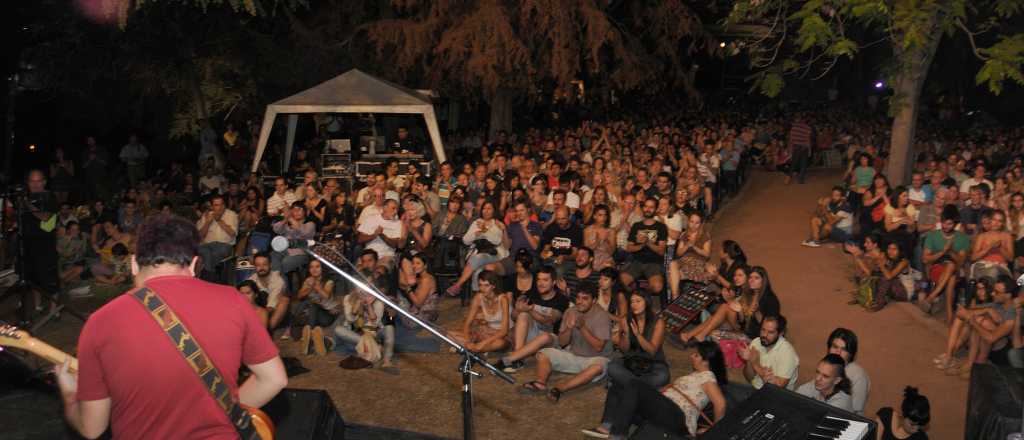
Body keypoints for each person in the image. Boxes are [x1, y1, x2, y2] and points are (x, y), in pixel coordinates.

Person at [54, 213, 287, 439]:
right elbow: (274, 379)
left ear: (134, 264)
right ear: (195, 263)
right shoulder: (233, 300)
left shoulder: (101, 321)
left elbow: (92, 428)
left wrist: (69, 394)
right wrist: (223, 412)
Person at [582, 341, 728, 439]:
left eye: (696, 355)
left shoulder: (708, 376)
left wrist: (715, 430)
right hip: (661, 413)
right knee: (620, 385)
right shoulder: (694, 375)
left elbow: (720, 403)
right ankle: (606, 426)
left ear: (706, 361)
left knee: (634, 384)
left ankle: (618, 434)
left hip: (677, 418)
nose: (691, 356)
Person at [524, 285, 612, 401]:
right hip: (574, 354)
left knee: (598, 368)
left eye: (585, 298)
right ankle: (540, 383)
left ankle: (559, 389)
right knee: (543, 354)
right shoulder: (570, 311)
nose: (580, 302)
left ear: (594, 300)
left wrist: (582, 328)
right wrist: (569, 328)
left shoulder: (602, 316)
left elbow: (598, 347)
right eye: (578, 298)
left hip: (595, 358)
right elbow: (562, 342)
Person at [494, 266, 570, 373]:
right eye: (538, 279)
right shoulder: (531, 295)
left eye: (545, 280)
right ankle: (518, 358)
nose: (540, 283)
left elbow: (549, 321)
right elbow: (514, 317)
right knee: (523, 315)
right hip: (532, 335)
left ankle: (511, 359)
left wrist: (530, 310)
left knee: (544, 336)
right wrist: (518, 310)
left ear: (553, 282)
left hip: (551, 340)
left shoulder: (561, 299)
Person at [607, 291, 669, 388]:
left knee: (662, 376)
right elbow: (624, 350)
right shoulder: (625, 319)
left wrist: (638, 335)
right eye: (632, 302)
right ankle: (638, 386)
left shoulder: (658, 322)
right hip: (631, 361)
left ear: (647, 302)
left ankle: (627, 384)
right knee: (611, 366)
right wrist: (626, 334)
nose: (634, 305)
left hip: (653, 363)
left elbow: (652, 351)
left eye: (638, 301)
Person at [918, 206, 969, 321]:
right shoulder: (932, 235)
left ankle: (932, 297)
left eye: (949, 224)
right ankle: (949, 313)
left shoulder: (962, 238)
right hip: (935, 268)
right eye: (943, 223)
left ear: (955, 224)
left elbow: (961, 261)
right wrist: (943, 252)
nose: (945, 227)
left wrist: (950, 251)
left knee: (951, 268)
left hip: (956, 269)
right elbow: (925, 259)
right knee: (951, 274)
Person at [447, 270, 511, 353]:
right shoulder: (478, 297)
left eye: (486, 285)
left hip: (500, 335)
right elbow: (467, 323)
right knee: (449, 334)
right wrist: (467, 341)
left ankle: (472, 349)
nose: (482, 289)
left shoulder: (503, 299)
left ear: (493, 286)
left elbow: (504, 331)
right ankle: (475, 349)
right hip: (484, 332)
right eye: (480, 285)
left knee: (499, 343)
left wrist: (483, 343)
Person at [739, 315, 799, 393]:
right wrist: (749, 361)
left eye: (770, 332)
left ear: (781, 333)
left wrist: (755, 364)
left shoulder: (788, 353)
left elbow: (777, 389)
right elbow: (749, 378)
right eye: (763, 330)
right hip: (755, 389)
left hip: (777, 396)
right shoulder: (756, 342)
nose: (764, 335)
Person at [620, 198, 668, 297]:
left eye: (651, 207)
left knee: (657, 287)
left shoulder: (661, 227)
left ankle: (642, 294)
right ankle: (637, 295)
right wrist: (642, 245)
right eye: (646, 206)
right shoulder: (636, 226)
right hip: (636, 262)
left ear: (656, 209)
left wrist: (647, 242)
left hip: (654, 263)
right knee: (622, 281)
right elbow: (629, 248)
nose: (648, 209)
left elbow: (661, 251)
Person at [826, 328, 871, 415]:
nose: (838, 353)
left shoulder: (858, 376)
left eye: (844, 349)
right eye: (835, 347)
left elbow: (853, 411)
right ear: (829, 348)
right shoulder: (826, 366)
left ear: (851, 354)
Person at [196, 194, 238, 280]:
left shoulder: (231, 215)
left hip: (224, 246)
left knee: (205, 257)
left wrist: (219, 220)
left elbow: (233, 233)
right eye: (216, 205)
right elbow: (200, 236)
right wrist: (207, 223)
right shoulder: (206, 215)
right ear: (212, 206)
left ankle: (205, 279)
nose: (220, 207)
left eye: (222, 204)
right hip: (207, 245)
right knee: (204, 252)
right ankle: (210, 278)